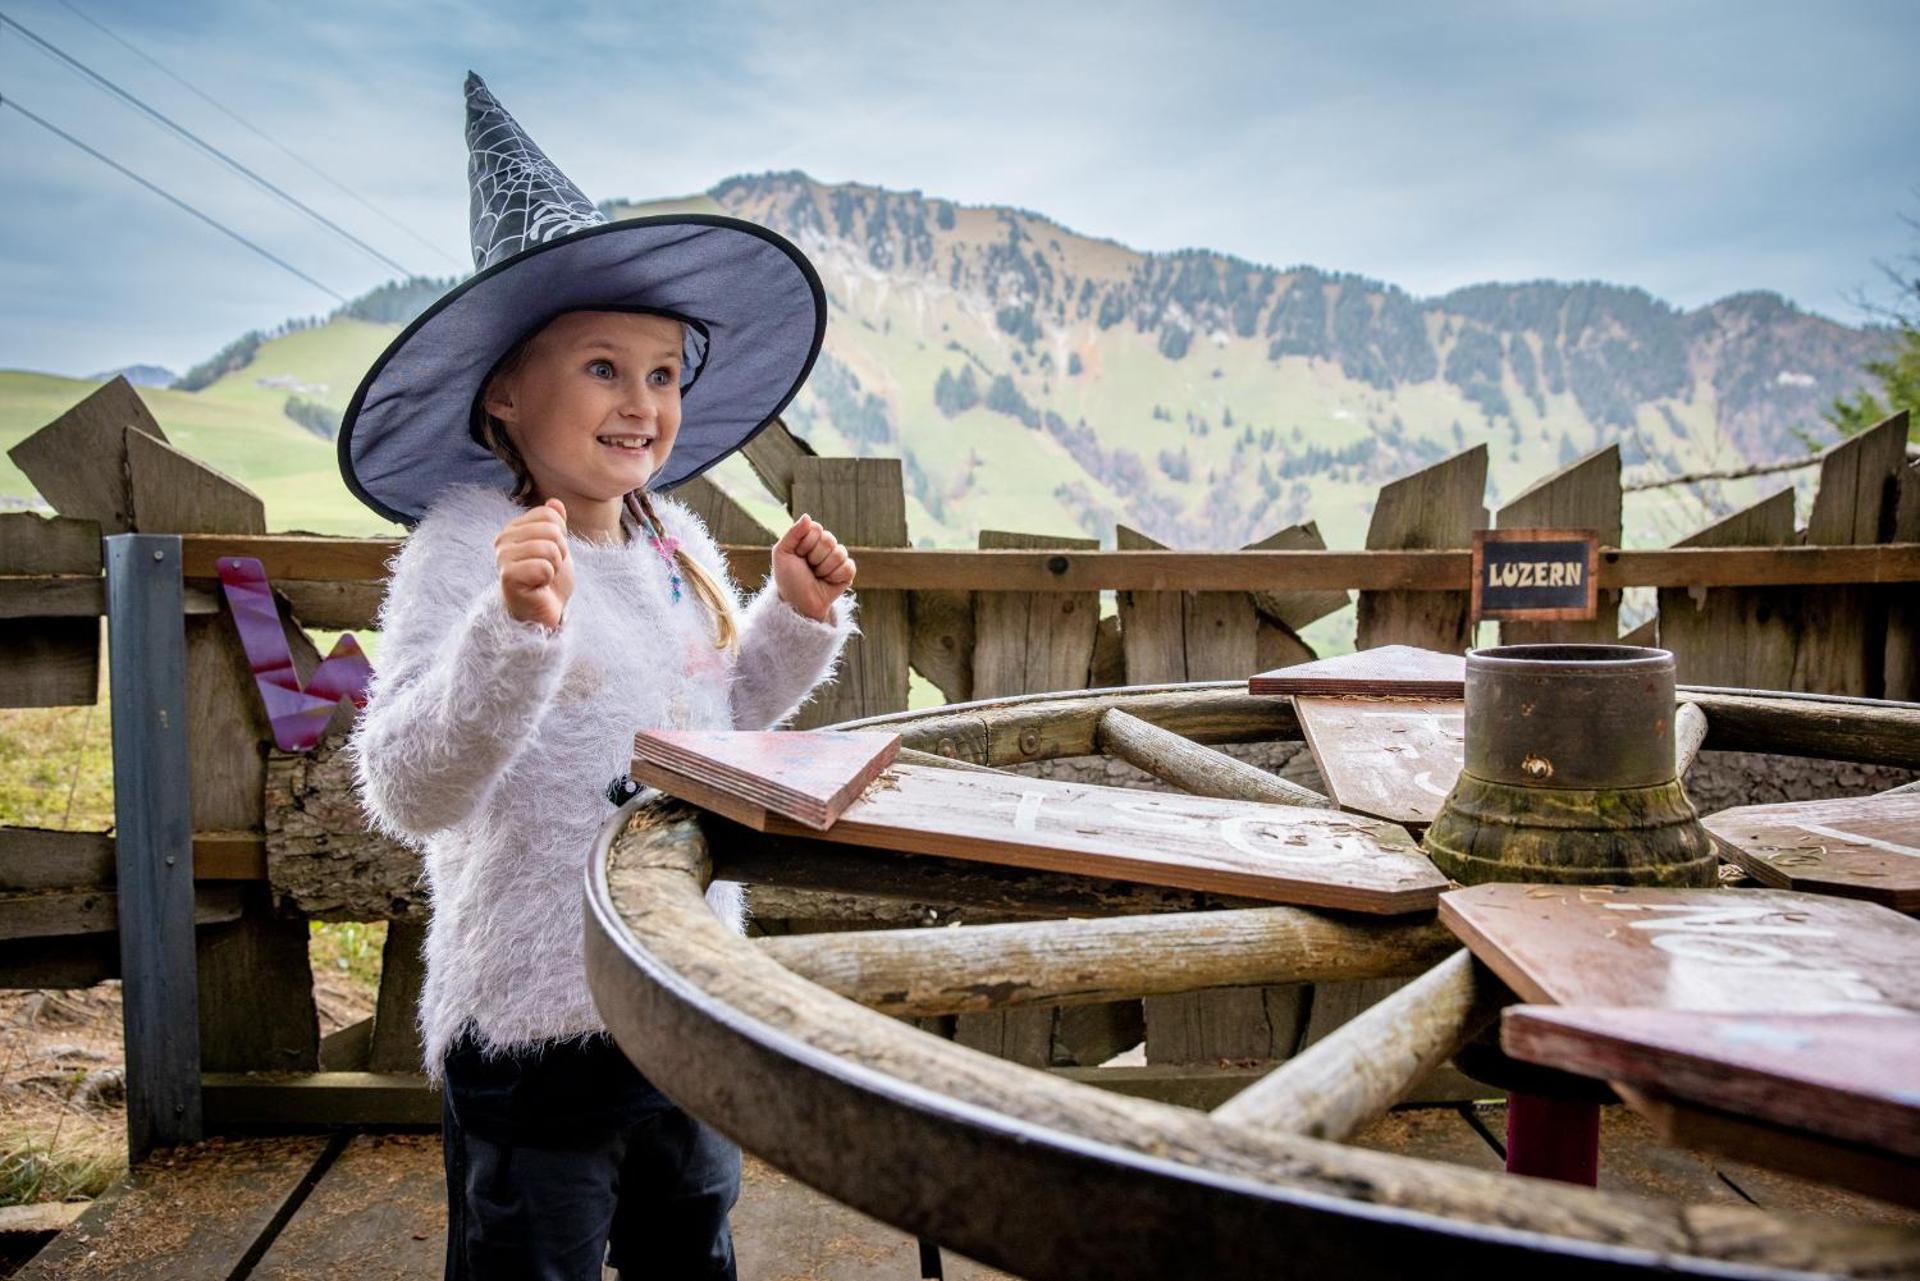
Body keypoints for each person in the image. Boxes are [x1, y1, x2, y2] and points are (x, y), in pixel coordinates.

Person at [338, 73, 853, 1280]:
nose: (643, 404)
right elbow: (410, 787)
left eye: (665, 373)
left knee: (691, 1243)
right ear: (505, 394)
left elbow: (711, 719)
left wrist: (795, 615)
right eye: (604, 369)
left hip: (680, 991)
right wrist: (510, 633)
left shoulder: (666, 539)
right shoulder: (467, 548)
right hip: (535, 1020)